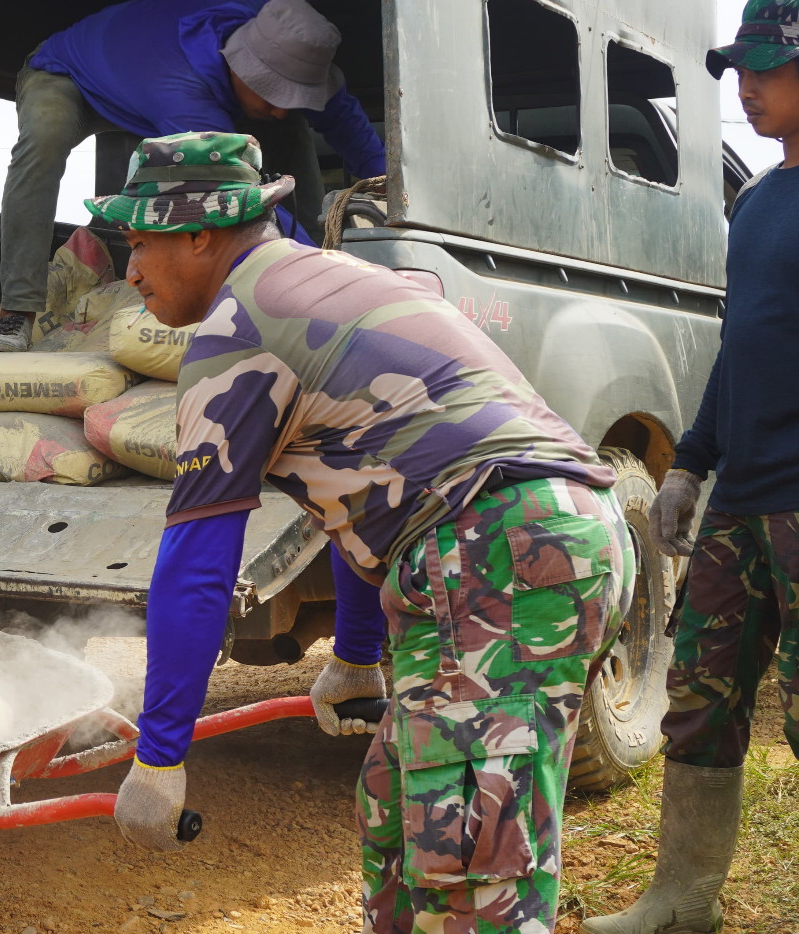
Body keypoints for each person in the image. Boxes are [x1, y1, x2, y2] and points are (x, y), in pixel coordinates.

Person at [90, 131, 634, 931]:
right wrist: (351, 658)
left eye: (139, 242)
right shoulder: (330, 278)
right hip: (536, 534)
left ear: (198, 233)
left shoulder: (239, 332)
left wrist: (160, 756)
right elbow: (358, 495)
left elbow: (197, 566)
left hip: (495, 552)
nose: (128, 270)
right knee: (396, 808)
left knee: (469, 873)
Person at [582, 3, 799, 933]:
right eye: (735, 67)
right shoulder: (753, 200)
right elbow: (742, 349)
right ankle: (680, 900)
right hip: (742, 503)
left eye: (763, 66)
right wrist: (689, 466)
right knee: (699, 703)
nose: (742, 87)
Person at [0, 0, 386, 353]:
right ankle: (17, 310)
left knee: (292, 126)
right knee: (44, 138)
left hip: (145, 77)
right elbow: (241, 199)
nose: (281, 107)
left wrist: (391, 197)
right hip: (70, 72)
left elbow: (354, 133)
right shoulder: (182, 86)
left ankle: (317, 257)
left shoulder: (291, 36)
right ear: (241, 67)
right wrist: (329, 287)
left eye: (294, 93)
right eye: (274, 93)